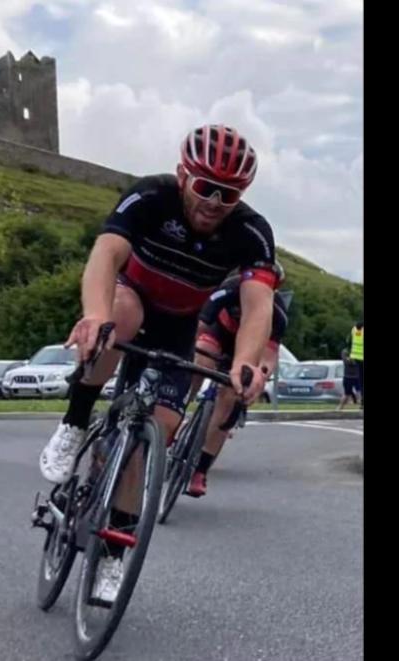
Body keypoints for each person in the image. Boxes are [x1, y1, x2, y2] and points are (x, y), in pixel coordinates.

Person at [38, 124, 280, 602]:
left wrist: (246, 363)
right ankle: (75, 422)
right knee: (119, 316)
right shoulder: (151, 196)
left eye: (229, 194)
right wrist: (95, 315)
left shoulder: (251, 232)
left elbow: (258, 306)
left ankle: (114, 553)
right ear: (182, 175)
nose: (214, 202)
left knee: (158, 432)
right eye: (205, 186)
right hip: (132, 299)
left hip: (179, 326)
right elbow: (106, 254)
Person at [185, 269, 289, 497]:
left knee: (230, 398)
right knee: (201, 358)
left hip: (248, 349)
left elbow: (268, 357)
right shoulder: (229, 289)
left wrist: (259, 376)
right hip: (217, 334)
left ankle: (200, 471)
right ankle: (179, 407)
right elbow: (200, 325)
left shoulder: (277, 313)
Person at [346, 321, 363, 407]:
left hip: (356, 357)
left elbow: (348, 341)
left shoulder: (354, 330)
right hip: (362, 357)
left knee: (361, 379)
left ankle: (362, 401)